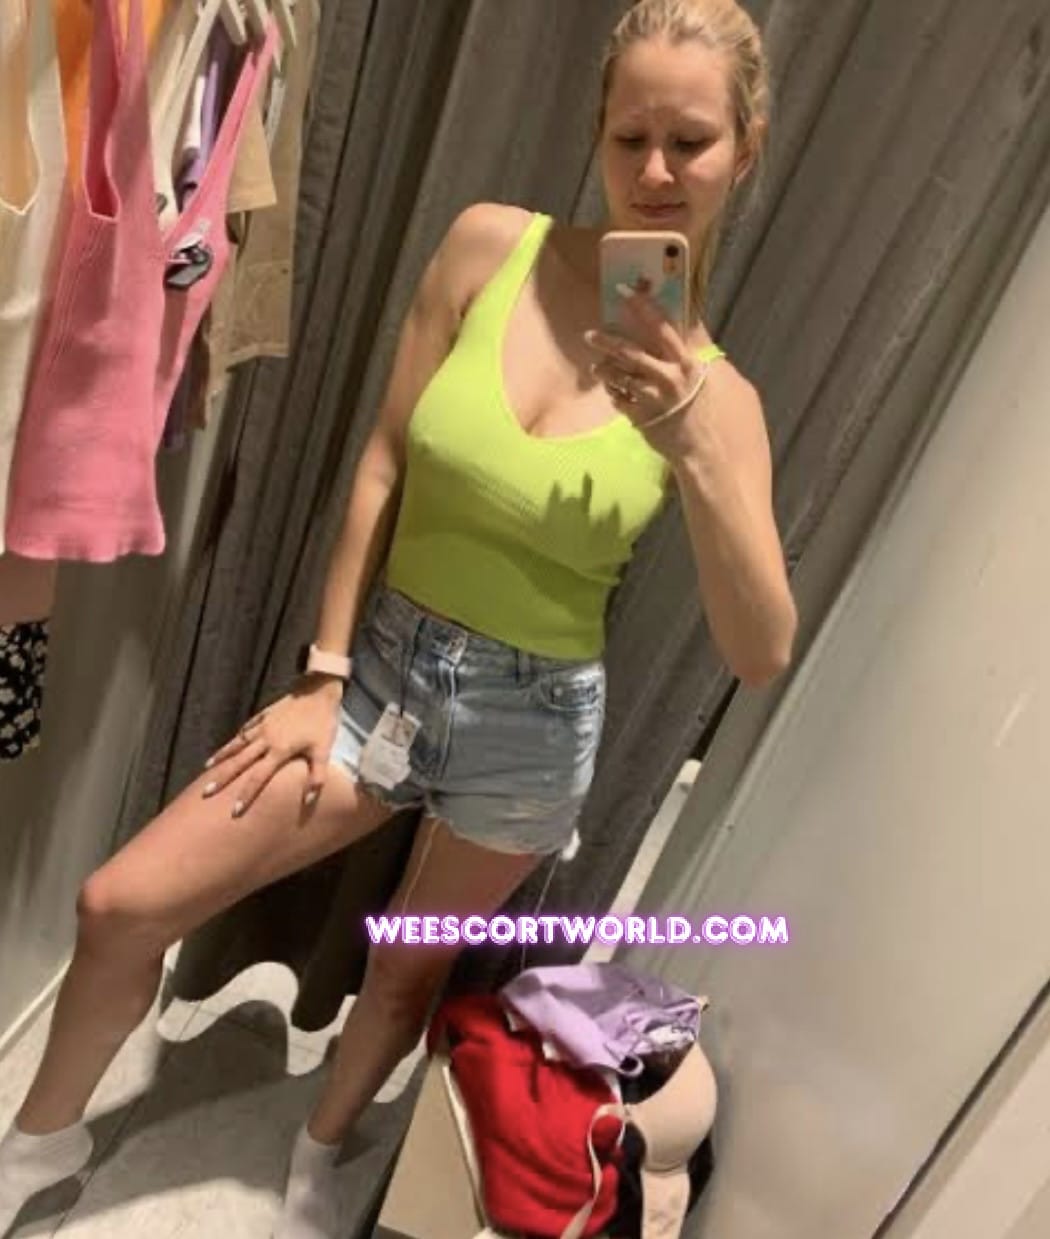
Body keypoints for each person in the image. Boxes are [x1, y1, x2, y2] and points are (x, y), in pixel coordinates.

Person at [0, 1, 797, 1235]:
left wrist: (689, 441)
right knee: (120, 906)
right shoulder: (491, 249)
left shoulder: (725, 406)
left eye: (688, 142)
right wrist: (324, 672)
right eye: (629, 134)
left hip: (534, 735)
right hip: (376, 684)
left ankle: (318, 1160)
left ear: (744, 153)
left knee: (405, 967)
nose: (653, 170)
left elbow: (760, 650)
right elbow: (380, 460)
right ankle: (33, 1150)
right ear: (595, 132)